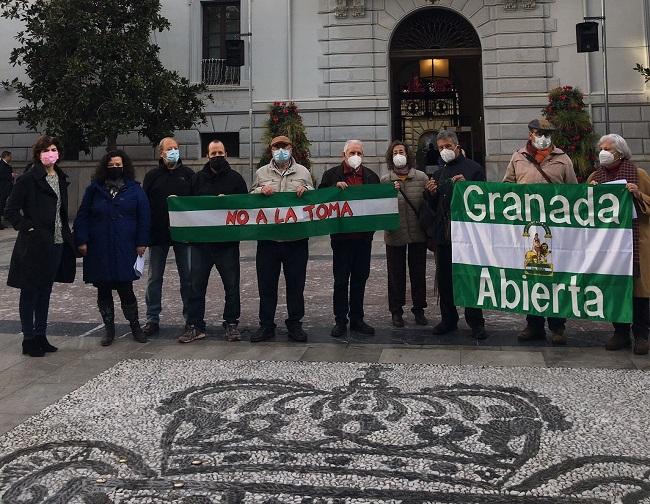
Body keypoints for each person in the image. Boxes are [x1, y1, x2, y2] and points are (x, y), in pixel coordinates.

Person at [503, 118, 577, 344]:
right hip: (527, 228)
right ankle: (533, 324)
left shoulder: (563, 159)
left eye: (547, 133)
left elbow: (573, 192)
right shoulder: (518, 158)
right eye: (539, 133)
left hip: (555, 229)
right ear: (530, 135)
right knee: (531, 274)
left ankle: (557, 326)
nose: (543, 137)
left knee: (555, 275)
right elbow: (506, 186)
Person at [5, 136, 76, 357]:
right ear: (38, 154)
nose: (50, 153)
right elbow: (11, 210)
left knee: (45, 291)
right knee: (30, 291)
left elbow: (61, 213)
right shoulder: (28, 179)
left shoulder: (60, 177)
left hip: (55, 242)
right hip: (33, 244)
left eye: (53, 149)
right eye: (45, 150)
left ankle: (41, 335)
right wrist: (29, 228)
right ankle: (28, 338)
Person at [73, 150, 151, 347]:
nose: (115, 168)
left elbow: (144, 217)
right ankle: (109, 329)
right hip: (100, 247)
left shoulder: (135, 189)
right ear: (104, 167)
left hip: (125, 246)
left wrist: (142, 242)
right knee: (103, 288)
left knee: (126, 288)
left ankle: (135, 326)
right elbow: (82, 216)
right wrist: (81, 240)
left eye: (119, 164)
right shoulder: (94, 190)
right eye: (111, 165)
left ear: (125, 166)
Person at [588, 134, 649, 355]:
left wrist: (638, 194)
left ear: (620, 153)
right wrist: (591, 193)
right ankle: (620, 332)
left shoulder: (639, 175)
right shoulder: (596, 176)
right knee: (616, 288)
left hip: (636, 242)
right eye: (601, 148)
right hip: (609, 246)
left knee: (639, 291)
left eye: (608, 149)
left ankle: (641, 334)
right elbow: (584, 209)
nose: (603, 152)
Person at [250, 135, 313, 343]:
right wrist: (260, 190)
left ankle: (295, 324)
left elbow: (315, 199)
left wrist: (308, 191)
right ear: (271, 150)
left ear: (291, 148)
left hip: (296, 240)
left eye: (284, 146)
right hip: (268, 241)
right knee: (266, 285)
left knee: (296, 285)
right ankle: (266, 325)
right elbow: (249, 199)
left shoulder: (303, 172)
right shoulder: (261, 173)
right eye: (276, 147)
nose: (280, 150)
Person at [425, 130, 488, 340]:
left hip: (468, 235)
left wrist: (467, 187)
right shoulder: (438, 172)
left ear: (457, 147)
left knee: (469, 277)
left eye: (447, 147)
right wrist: (430, 193)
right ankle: (448, 319)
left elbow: (483, 199)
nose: (444, 151)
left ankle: (476, 321)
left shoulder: (474, 168)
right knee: (444, 279)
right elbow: (432, 205)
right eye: (441, 148)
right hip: (444, 234)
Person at [184, 140, 248, 343]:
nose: (217, 156)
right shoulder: (197, 179)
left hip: (227, 243)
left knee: (231, 285)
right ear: (207, 155)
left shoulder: (236, 179)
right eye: (213, 153)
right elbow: (188, 207)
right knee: (196, 286)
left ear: (226, 153)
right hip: (201, 244)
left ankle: (231, 323)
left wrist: (228, 201)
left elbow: (245, 207)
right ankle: (195, 325)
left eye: (220, 152)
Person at [319, 140, 380, 337]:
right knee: (341, 281)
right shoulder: (331, 175)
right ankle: (340, 320)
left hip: (363, 239)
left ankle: (357, 318)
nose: (356, 156)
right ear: (343, 154)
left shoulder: (371, 176)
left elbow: (378, 203)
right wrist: (333, 190)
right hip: (342, 239)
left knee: (360, 279)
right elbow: (320, 199)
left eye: (359, 153)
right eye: (352, 152)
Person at [142, 137, 195, 338]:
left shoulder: (189, 175)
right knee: (154, 278)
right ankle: (152, 318)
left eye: (175, 148)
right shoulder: (152, 176)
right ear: (161, 153)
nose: (173, 151)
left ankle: (191, 319)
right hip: (158, 235)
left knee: (188, 277)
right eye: (169, 149)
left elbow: (196, 202)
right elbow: (144, 205)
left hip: (183, 235)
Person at [381, 141, 429, 328]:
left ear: (408, 155)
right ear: (390, 157)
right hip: (395, 233)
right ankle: (396, 311)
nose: (399, 155)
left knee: (418, 272)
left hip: (418, 232)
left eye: (401, 151)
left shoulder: (421, 177)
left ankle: (419, 309)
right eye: (395, 152)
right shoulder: (385, 180)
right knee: (395, 274)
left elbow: (428, 203)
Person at [0, 150, 14, 229]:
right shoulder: (2, 164)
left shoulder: (6, 164)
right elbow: (2, 176)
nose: (11, 158)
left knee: (3, 204)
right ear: (6, 156)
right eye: (10, 156)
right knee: (1, 204)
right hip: (3, 188)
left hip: (5, 188)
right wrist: (10, 175)